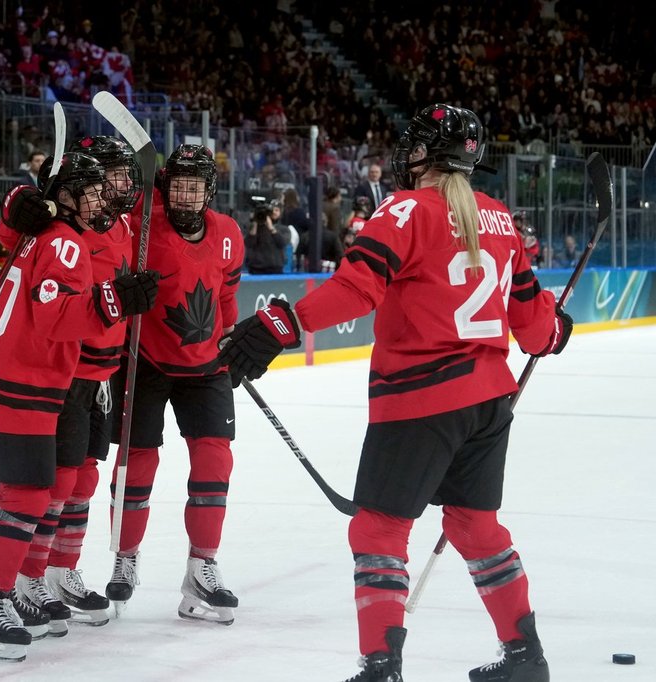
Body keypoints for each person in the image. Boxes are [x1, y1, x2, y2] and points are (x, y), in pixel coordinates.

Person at [219, 104, 572, 682]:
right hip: (489, 404)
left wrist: (284, 323)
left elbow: (357, 288)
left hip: (420, 399)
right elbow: (537, 331)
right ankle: (526, 657)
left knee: (378, 529)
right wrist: (561, 329)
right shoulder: (502, 219)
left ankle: (381, 667)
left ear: (422, 154)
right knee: (476, 528)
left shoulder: (404, 210)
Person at [0, 151, 158, 662]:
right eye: (92, 191)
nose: (102, 199)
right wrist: (114, 302)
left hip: (27, 375)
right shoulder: (65, 242)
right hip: (27, 378)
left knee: (43, 489)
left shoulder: (53, 234)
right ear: (67, 196)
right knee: (28, 493)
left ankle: (4, 594)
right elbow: (56, 316)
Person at [105, 144, 245, 626]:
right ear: (165, 186)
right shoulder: (142, 223)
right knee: (136, 463)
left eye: (196, 184)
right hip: (145, 359)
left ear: (210, 189)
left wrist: (232, 339)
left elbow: (227, 293)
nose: (187, 193)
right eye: (178, 183)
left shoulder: (228, 234)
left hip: (208, 368)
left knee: (214, 462)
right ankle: (126, 556)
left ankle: (201, 566)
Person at [243, 199, 291, 274]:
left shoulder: (284, 229)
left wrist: (271, 227)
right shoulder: (253, 227)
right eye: (272, 210)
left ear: (281, 213)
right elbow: (248, 243)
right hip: (256, 268)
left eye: (277, 210)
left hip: (275, 268)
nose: (274, 212)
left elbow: (282, 243)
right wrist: (255, 221)